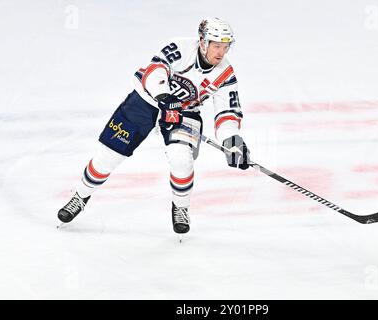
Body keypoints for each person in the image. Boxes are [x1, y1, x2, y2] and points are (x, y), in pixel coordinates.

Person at [57, 17, 251, 234]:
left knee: (182, 160)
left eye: (226, 47)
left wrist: (232, 140)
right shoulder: (180, 46)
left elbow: (227, 112)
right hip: (146, 100)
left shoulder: (225, 73)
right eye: (216, 46)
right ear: (203, 42)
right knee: (108, 156)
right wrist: (164, 96)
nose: (221, 53)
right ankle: (80, 196)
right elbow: (155, 70)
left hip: (184, 112)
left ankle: (181, 207)